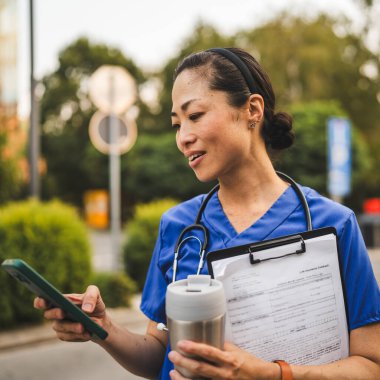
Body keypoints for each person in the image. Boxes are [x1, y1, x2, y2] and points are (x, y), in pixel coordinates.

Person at [35, 47, 380, 380]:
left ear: (253, 110)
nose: (183, 138)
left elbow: (370, 366)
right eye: (177, 123)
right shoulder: (179, 227)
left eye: (195, 115)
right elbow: (157, 353)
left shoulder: (333, 224)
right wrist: (103, 327)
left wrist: (270, 375)